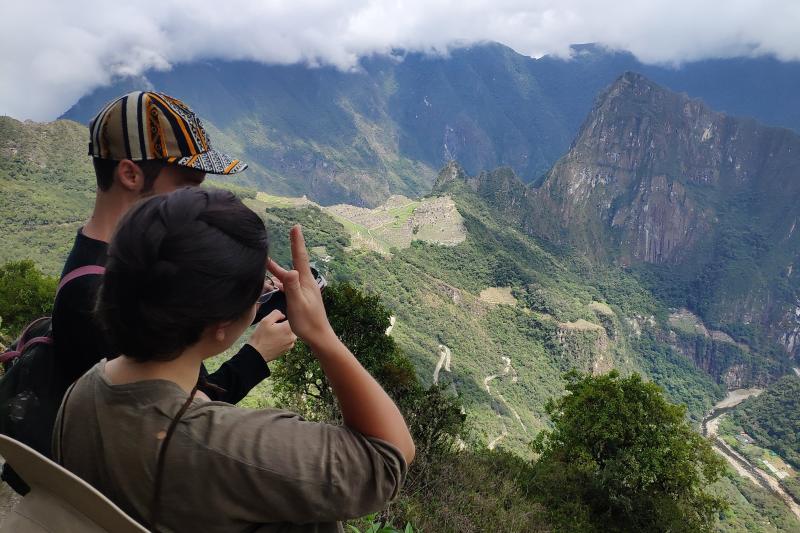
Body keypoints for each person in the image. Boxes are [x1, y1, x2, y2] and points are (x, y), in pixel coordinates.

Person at [53, 188, 415, 532]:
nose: (264, 293)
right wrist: (321, 334)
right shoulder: (232, 448)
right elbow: (389, 456)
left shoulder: (82, 394)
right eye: (257, 293)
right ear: (222, 326)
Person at [51, 91, 283, 406]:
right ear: (130, 175)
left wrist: (241, 300)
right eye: (187, 187)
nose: (196, 200)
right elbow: (169, 416)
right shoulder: (92, 294)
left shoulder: (137, 259)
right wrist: (256, 356)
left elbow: (177, 339)